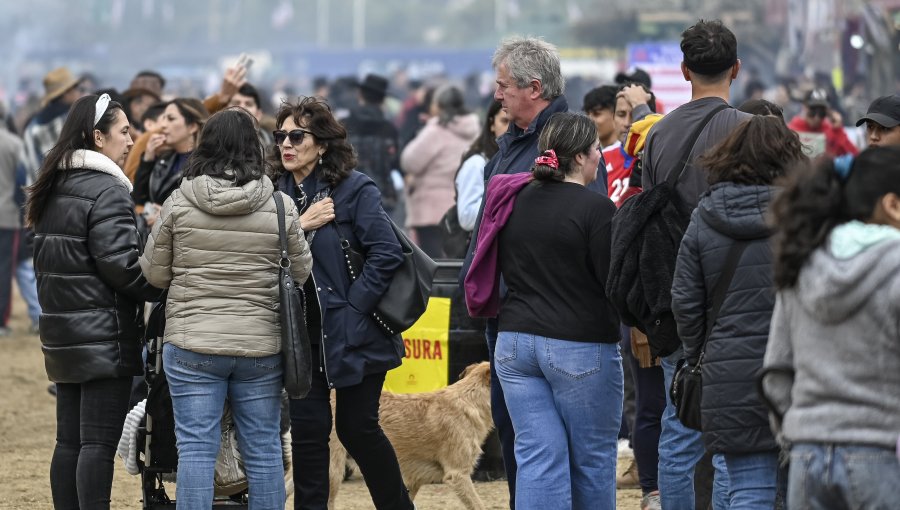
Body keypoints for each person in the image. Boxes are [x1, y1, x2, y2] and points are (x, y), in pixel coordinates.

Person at [458, 37, 608, 508]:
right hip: (523, 322)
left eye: (503, 86)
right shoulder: (516, 146)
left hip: (539, 323)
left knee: (551, 454)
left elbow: (581, 234)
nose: (496, 94)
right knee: (545, 449)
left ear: (535, 87)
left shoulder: (567, 144)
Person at [139, 107, 311, 508]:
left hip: (193, 343)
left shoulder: (179, 202)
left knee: (197, 449)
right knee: (264, 450)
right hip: (261, 348)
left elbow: (155, 274)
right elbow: (301, 271)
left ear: (204, 146)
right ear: (256, 148)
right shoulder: (281, 206)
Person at [271, 96, 414, 510]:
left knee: (357, 428)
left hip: (355, 330)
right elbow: (260, 252)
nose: (286, 144)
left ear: (323, 143)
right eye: (280, 135)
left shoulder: (354, 188)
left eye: (297, 135)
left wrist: (354, 310)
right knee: (309, 431)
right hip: (301, 333)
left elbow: (387, 253)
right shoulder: (271, 192)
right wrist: (300, 226)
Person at [26, 93, 161, 509]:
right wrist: (160, 287)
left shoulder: (54, 184)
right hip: (104, 332)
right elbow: (122, 266)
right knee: (97, 444)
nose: (130, 139)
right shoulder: (108, 189)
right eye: (124, 131)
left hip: (63, 331)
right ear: (97, 137)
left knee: (69, 440)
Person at [640, 19, 752, 510]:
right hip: (741, 302)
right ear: (737, 69)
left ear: (684, 70)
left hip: (674, 298)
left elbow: (644, 218)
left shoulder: (658, 134)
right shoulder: (752, 130)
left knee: (679, 423)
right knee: (737, 433)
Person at [671, 116, 805, 508]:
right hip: (801, 367)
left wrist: (700, 353)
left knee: (749, 488)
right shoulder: (806, 217)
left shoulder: (704, 217)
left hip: (729, 369)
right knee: (804, 487)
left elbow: (685, 299)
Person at [492, 112, 622, 510]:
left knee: (536, 457)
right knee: (593, 460)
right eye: (597, 149)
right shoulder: (597, 210)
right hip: (579, 346)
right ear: (581, 157)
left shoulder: (512, 199)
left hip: (514, 343)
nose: (600, 156)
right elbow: (612, 285)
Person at [762, 146, 900, 509]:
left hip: (807, 459)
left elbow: (776, 372)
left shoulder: (802, 261)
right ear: (892, 205)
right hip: (882, 455)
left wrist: (797, 433)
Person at [401, 84, 479, 258]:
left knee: (432, 265)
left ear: (440, 105)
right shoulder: (474, 131)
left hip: (431, 210)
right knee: (456, 262)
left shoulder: (436, 130)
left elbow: (410, 161)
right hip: (461, 206)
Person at [132, 98, 209, 230]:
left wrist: (171, 215)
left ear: (192, 127)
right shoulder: (164, 157)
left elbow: (207, 211)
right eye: (163, 118)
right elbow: (139, 198)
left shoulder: (206, 163)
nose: (163, 125)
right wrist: (147, 159)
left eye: (171, 119)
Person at [342, 74, 401, 215]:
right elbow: (396, 161)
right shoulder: (389, 129)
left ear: (360, 95)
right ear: (383, 99)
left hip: (346, 193)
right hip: (382, 195)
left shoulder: (342, 126)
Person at [455, 99, 509, 233]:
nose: (510, 129)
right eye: (504, 121)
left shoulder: (508, 159)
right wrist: (504, 200)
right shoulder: (476, 163)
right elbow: (467, 217)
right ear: (492, 124)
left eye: (515, 123)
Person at [787, 88, 859, 158]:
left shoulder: (831, 130)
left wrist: (838, 130)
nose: (817, 117)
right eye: (813, 111)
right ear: (804, 108)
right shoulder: (792, 129)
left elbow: (854, 156)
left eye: (821, 112)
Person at [227, 83, 275, 147]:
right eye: (236, 103)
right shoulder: (214, 142)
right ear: (225, 110)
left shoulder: (274, 147)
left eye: (248, 104)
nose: (242, 107)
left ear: (258, 114)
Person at [583, 85, 620, 150]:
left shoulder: (629, 154)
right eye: (587, 114)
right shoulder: (592, 155)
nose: (590, 120)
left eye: (596, 114)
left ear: (616, 115)